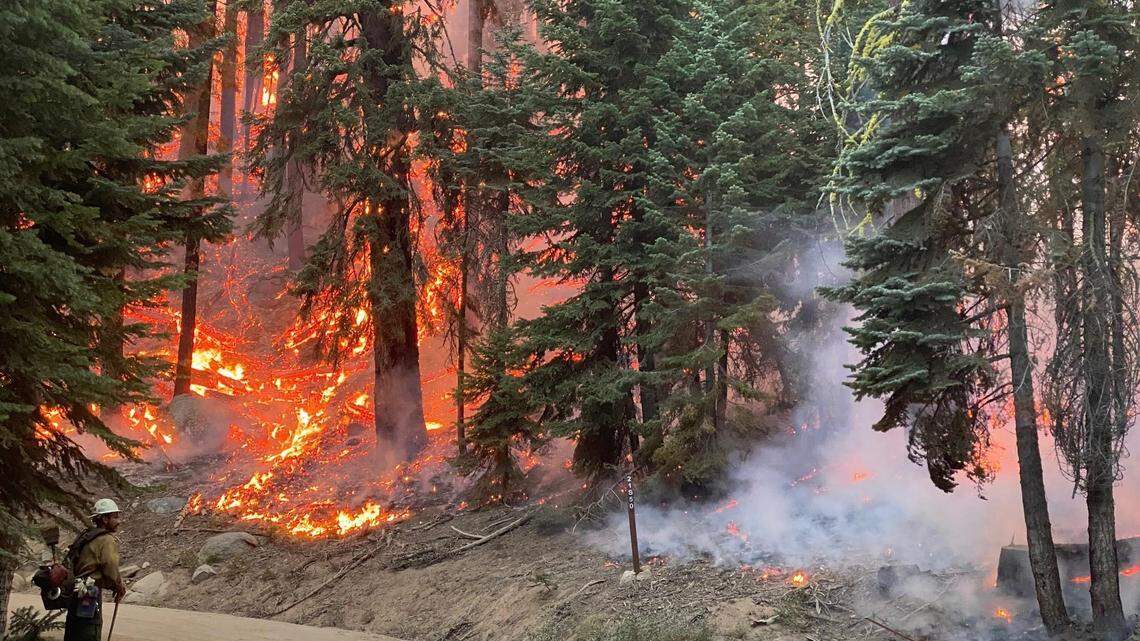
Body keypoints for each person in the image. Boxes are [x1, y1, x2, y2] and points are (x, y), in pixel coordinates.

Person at [63, 498, 127, 641]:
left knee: (74, 632)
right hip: (89, 595)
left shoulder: (86, 536)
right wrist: (118, 586)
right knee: (89, 631)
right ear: (104, 519)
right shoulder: (106, 540)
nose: (119, 521)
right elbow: (110, 567)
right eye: (115, 517)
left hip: (75, 593)